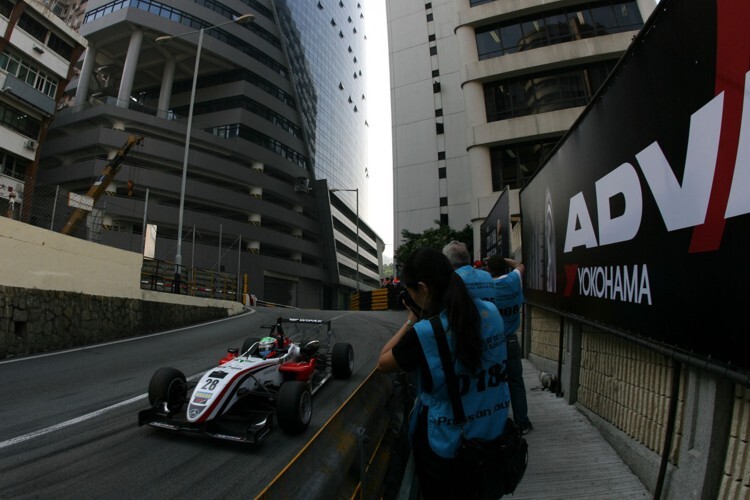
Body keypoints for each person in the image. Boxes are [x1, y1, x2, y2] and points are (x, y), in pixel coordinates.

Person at [377, 248, 510, 499]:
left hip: (449, 451)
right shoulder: (491, 314)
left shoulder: (427, 333)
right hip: (493, 441)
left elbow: (383, 362)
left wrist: (412, 319)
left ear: (423, 289)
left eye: (412, 290)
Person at [486, 254, 533, 434]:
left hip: (493, 342)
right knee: (516, 382)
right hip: (511, 340)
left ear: (489, 269)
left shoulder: (488, 288)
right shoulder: (514, 281)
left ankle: (497, 424)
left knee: (495, 384)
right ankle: (523, 422)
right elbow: (520, 265)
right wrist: (506, 260)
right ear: (505, 267)